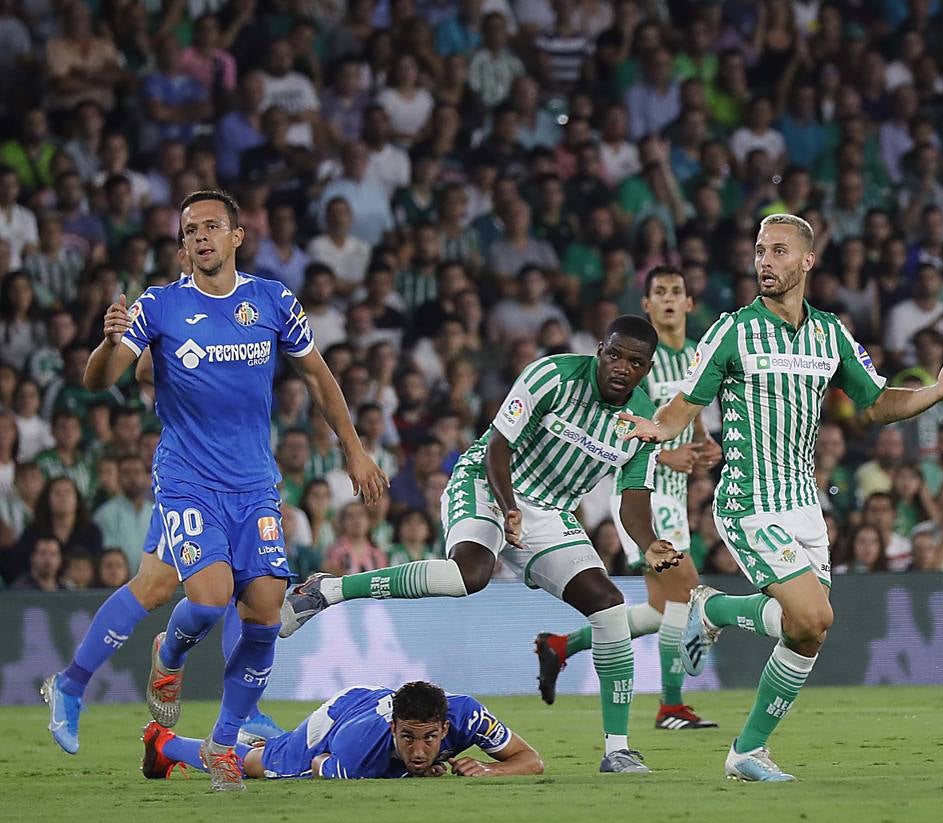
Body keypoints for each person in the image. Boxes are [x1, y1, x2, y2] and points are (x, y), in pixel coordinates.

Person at [41, 190, 387, 790]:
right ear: (182, 245)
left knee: (259, 605)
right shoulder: (160, 306)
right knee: (205, 597)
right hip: (187, 480)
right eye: (189, 230)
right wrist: (106, 342)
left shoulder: (273, 301)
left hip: (254, 483)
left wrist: (353, 447)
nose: (200, 237)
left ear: (236, 236)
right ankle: (163, 662)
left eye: (210, 227)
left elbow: (318, 376)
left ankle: (221, 738)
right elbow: (103, 380)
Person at [618, 214, 943, 781]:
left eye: (779, 251)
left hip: (803, 506)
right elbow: (684, 405)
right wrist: (655, 428)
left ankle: (743, 741)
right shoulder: (732, 331)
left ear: (807, 262)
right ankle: (711, 619)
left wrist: (934, 392)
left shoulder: (830, 333)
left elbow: (878, 402)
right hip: (747, 502)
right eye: (760, 250)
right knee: (812, 613)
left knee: (808, 630)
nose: (765, 261)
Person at [280, 316, 682, 773]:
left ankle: (617, 750)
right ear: (599, 349)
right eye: (614, 354)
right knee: (466, 576)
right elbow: (498, 446)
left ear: (646, 369)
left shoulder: (643, 422)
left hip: (549, 513)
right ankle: (328, 590)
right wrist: (508, 507)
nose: (620, 367)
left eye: (634, 362)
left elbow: (633, 499)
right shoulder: (551, 375)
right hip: (488, 484)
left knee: (609, 606)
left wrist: (648, 543)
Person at [534, 266, 721, 730]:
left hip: (677, 496)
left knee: (663, 608)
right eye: (660, 292)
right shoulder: (634, 362)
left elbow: (693, 421)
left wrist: (706, 445)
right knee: (685, 593)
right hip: (640, 494)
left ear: (689, 303)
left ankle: (563, 645)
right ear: (648, 305)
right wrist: (664, 457)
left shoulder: (699, 358)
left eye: (677, 291)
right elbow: (618, 435)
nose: (670, 299)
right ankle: (671, 705)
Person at [141, 681, 543, 781]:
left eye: (429, 739)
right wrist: (408, 772)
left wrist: (493, 770)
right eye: (407, 738)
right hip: (337, 723)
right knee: (261, 766)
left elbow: (531, 760)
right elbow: (320, 764)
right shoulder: (358, 751)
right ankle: (166, 742)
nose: (419, 751)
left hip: (372, 703)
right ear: (393, 728)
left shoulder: (470, 715)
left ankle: (268, 738)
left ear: (447, 727)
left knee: (273, 750)